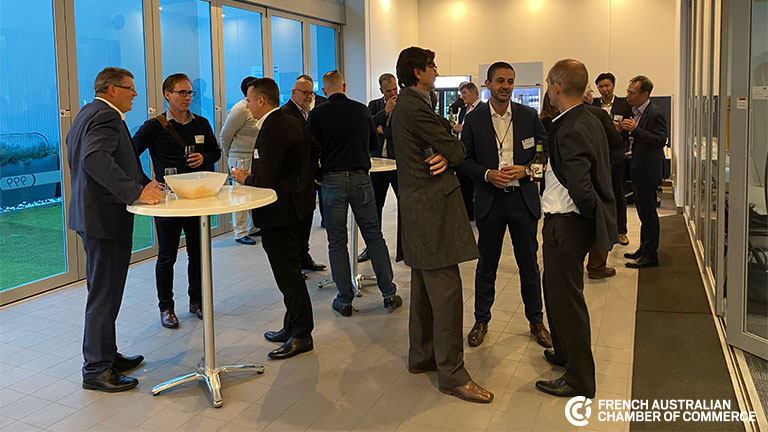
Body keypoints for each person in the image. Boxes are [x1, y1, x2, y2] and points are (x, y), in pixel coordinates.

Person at [392, 46, 493, 403]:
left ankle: (422, 357)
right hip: (431, 210)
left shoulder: (408, 105)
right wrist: (448, 154)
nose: (436, 71)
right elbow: (456, 149)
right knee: (447, 294)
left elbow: (441, 149)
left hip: (419, 209)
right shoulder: (416, 107)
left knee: (423, 290)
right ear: (418, 72)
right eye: (432, 66)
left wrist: (443, 154)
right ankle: (453, 374)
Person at [67, 67, 164, 392]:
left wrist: (143, 182)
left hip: (91, 216)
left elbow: (108, 158)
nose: (135, 93)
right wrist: (134, 192)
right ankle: (96, 368)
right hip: (104, 220)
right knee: (104, 295)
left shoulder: (87, 113)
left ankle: (107, 355)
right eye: (130, 88)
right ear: (111, 90)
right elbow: (94, 159)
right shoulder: (107, 116)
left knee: (104, 291)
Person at [535, 59, 616, 398]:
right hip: (570, 221)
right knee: (555, 290)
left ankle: (580, 378)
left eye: (548, 83)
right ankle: (564, 352)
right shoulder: (588, 118)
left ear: (557, 86)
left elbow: (581, 187)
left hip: (567, 223)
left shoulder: (568, 128)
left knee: (567, 300)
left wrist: (585, 219)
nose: (547, 89)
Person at [457, 62, 552, 349]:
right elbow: (463, 161)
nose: (506, 86)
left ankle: (536, 321)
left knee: (529, 266)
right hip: (491, 201)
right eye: (500, 81)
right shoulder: (474, 120)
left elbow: (544, 156)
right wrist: (487, 174)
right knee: (487, 265)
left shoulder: (528, 116)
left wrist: (527, 171)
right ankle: (481, 320)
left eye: (510, 81)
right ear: (487, 84)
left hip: (523, 201)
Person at [231, 78, 316, 360]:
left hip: (281, 212)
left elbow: (265, 179)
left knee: (288, 275)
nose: (247, 105)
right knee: (289, 272)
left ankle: (301, 334)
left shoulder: (273, 127)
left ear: (260, 100)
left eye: (249, 100)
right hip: (294, 206)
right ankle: (291, 325)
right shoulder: (288, 120)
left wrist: (244, 177)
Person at [306, 70, 402, 317]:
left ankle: (345, 299)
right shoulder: (361, 110)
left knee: (337, 241)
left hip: (332, 180)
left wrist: (318, 172)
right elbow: (372, 145)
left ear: (324, 91)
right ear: (344, 86)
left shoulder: (317, 114)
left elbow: (310, 147)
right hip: (361, 178)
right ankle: (389, 293)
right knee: (374, 236)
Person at [133, 73, 221, 329]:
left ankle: (197, 302)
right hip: (168, 202)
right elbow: (129, 152)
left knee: (198, 254)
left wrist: (204, 158)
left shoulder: (201, 123)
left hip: (197, 199)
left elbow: (215, 151)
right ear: (167, 95)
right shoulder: (154, 127)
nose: (187, 97)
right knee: (166, 257)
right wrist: (146, 182)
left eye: (190, 93)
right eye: (182, 93)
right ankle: (166, 308)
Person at [280, 77, 328, 274]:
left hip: (310, 173)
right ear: (294, 93)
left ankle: (304, 257)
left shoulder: (309, 112)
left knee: (308, 216)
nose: (309, 96)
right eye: (305, 93)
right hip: (295, 176)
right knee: (296, 222)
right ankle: (295, 265)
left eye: (311, 93)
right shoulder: (286, 114)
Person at [622, 75, 668, 268]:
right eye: (628, 91)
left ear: (645, 94)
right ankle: (644, 248)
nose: (628, 95)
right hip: (637, 168)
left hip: (648, 171)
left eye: (632, 93)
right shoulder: (636, 112)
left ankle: (650, 255)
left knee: (648, 215)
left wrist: (635, 130)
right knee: (642, 213)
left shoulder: (655, 113)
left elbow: (660, 140)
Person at [583, 87, 627, 279]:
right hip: (599, 171)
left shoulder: (559, 115)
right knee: (601, 217)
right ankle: (597, 266)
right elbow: (616, 140)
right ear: (588, 95)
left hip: (569, 177)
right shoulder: (598, 114)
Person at [359, 73, 399, 263]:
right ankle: (372, 248)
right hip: (377, 164)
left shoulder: (404, 105)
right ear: (381, 90)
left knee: (405, 206)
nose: (393, 93)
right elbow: (367, 126)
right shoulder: (374, 105)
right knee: (375, 207)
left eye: (395, 89)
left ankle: (406, 249)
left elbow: (402, 132)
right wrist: (385, 111)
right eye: (388, 90)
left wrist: (384, 131)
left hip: (398, 163)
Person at [594, 72, 634, 246]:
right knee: (599, 193)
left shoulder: (624, 105)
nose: (605, 89)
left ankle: (621, 231)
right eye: (601, 86)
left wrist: (620, 128)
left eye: (607, 85)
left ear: (613, 86)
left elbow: (628, 127)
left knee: (619, 194)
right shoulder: (593, 105)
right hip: (597, 155)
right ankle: (602, 230)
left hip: (617, 155)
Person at [220, 76, 260, 245]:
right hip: (239, 157)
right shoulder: (240, 109)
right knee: (239, 195)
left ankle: (253, 227)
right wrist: (230, 154)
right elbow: (225, 135)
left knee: (253, 193)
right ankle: (240, 232)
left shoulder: (256, 107)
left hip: (254, 156)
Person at [453, 81, 483, 221]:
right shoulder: (463, 110)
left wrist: (463, 128)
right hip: (463, 152)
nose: (462, 96)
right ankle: (467, 214)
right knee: (463, 184)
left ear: (473, 93)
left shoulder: (483, 109)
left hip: (476, 154)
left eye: (464, 93)